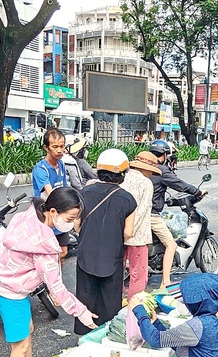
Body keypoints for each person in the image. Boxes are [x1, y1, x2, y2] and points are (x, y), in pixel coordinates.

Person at [0, 187, 96, 357]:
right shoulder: (42, 245)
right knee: (20, 347)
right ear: (53, 212)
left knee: (27, 334)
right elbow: (56, 286)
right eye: (70, 219)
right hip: (12, 295)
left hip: (7, 285)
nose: (71, 224)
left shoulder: (28, 217)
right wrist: (81, 312)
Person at [74, 149, 136, 335]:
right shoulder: (128, 199)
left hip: (86, 256)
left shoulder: (84, 193)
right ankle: (107, 338)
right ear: (122, 173)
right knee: (110, 303)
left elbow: (76, 225)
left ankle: (83, 340)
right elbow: (128, 232)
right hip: (112, 258)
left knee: (85, 300)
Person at [147, 139, 201, 288]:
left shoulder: (142, 168)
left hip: (136, 213)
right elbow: (179, 185)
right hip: (151, 214)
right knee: (171, 244)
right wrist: (197, 191)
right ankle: (166, 281)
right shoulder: (161, 170)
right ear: (164, 155)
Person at [122, 152, 157, 301]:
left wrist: (122, 233)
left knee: (118, 272)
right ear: (146, 169)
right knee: (138, 275)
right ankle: (133, 308)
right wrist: (129, 232)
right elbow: (141, 211)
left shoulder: (122, 178)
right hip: (138, 237)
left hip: (118, 233)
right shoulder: (146, 183)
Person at [31, 128, 71, 256]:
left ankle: (57, 275)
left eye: (62, 146)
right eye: (55, 147)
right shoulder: (41, 169)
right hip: (46, 217)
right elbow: (51, 193)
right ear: (46, 147)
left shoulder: (61, 165)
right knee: (48, 253)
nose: (59, 150)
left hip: (60, 215)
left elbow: (63, 187)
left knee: (63, 252)